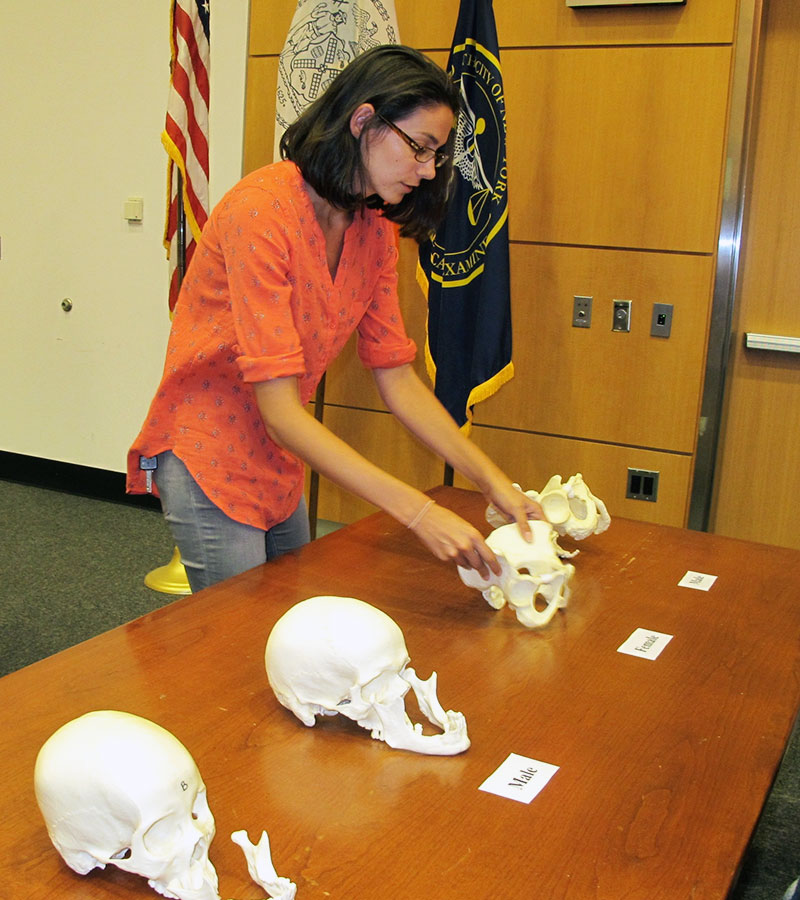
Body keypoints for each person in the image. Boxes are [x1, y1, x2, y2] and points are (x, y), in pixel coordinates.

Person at [127, 44, 541, 593]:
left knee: (297, 623)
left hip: (281, 450)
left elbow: (396, 375)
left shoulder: (374, 230)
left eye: (436, 156)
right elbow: (279, 409)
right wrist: (417, 513)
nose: (426, 170)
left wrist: (494, 484)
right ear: (364, 119)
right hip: (210, 450)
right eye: (420, 148)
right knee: (243, 640)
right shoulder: (263, 210)